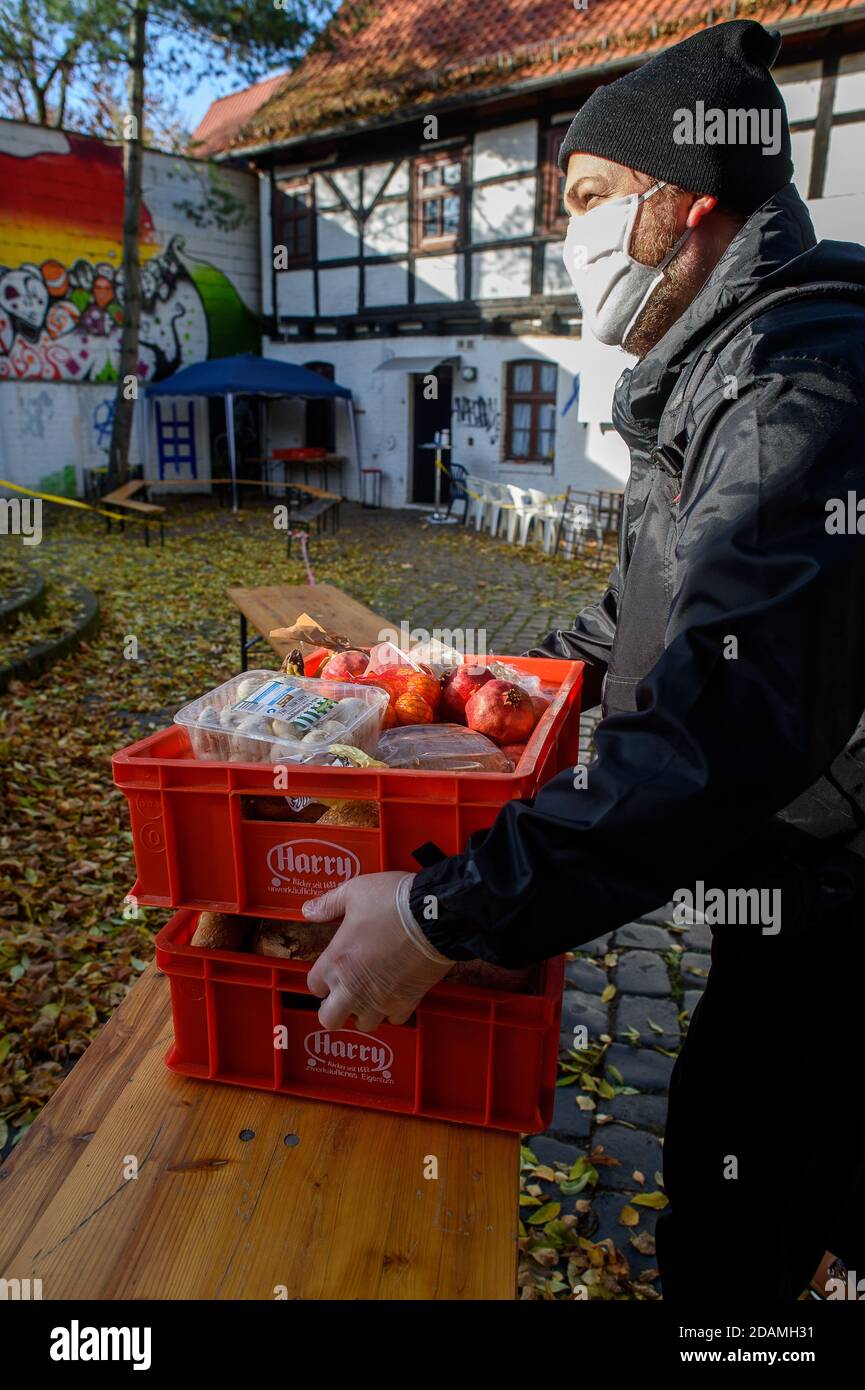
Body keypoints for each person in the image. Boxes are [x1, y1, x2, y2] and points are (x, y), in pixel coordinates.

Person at [303, 20, 865, 1299]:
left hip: (840, 908)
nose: (571, 235)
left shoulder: (790, 391)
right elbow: (624, 634)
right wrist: (448, 674)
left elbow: (718, 723)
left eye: (591, 198)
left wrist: (446, 915)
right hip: (790, 893)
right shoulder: (712, 381)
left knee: (739, 1238)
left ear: (687, 206)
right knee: (741, 1197)